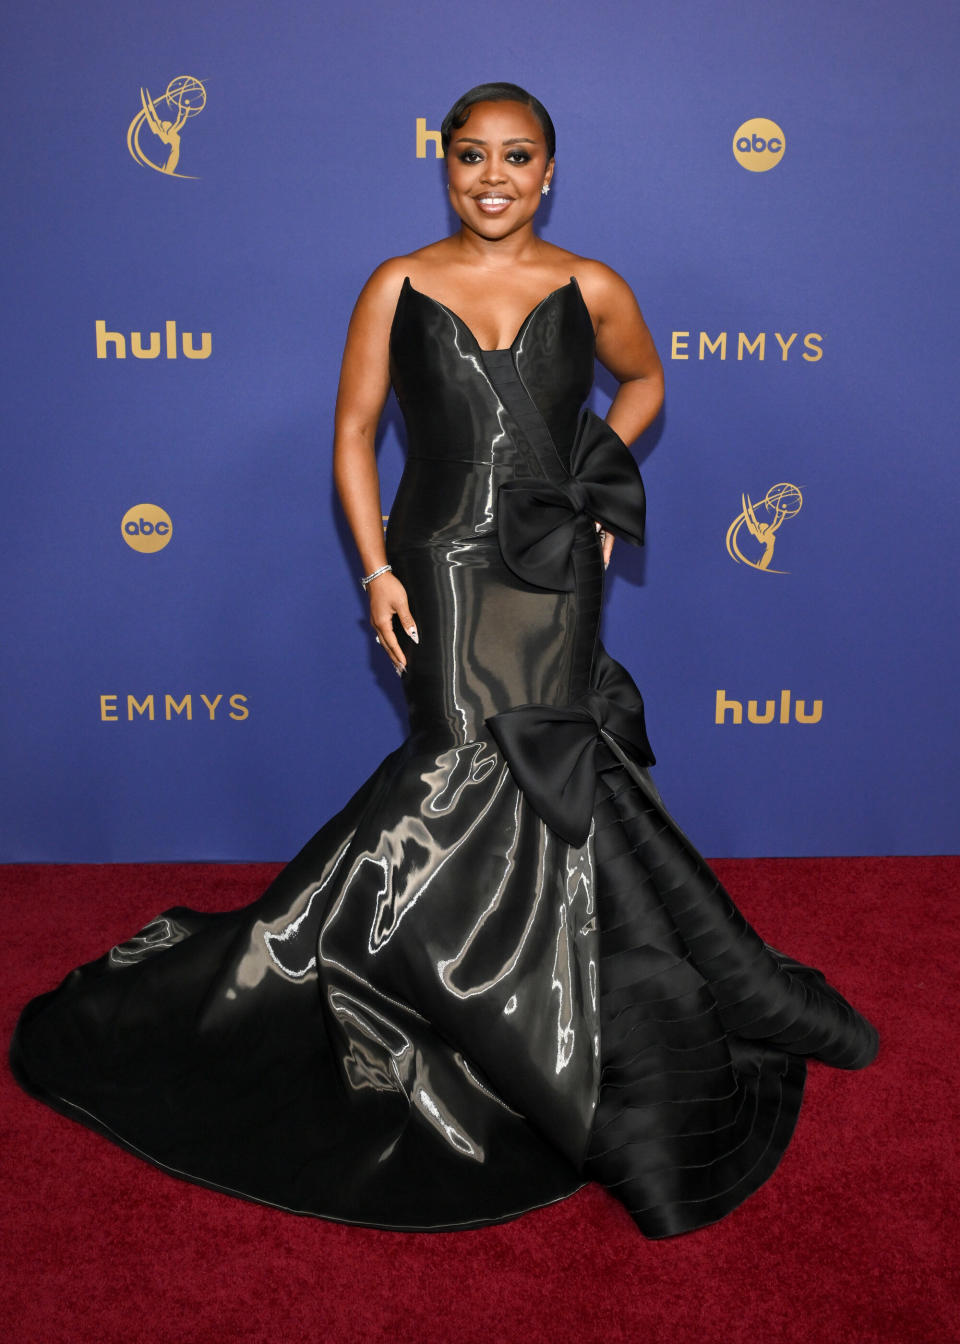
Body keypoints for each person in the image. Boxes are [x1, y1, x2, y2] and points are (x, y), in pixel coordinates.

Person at [9, 82, 879, 1239]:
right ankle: (422, 990)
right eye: (472, 156)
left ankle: (580, 1001)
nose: (494, 178)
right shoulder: (397, 282)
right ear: (447, 165)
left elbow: (650, 380)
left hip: (553, 564)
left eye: (518, 158)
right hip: (442, 563)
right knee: (459, 765)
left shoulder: (595, 286)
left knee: (554, 769)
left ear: (551, 171)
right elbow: (354, 433)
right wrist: (376, 571)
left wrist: (599, 470)